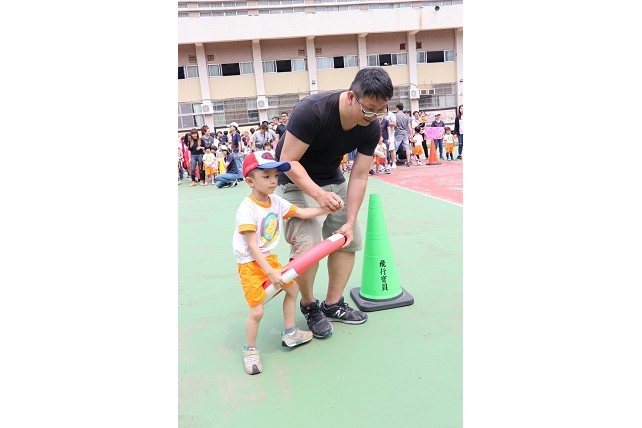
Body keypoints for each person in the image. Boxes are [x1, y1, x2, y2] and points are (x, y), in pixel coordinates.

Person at [275, 67, 394, 337]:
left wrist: (350, 221)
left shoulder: (371, 126)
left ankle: (332, 304)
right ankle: (309, 306)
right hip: (294, 179)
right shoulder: (312, 110)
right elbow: (288, 161)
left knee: (346, 238)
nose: (374, 117)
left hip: (332, 177)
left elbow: (360, 176)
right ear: (351, 97)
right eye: (369, 110)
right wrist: (318, 194)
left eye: (381, 110)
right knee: (308, 242)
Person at [234, 151, 332, 375]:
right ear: (250, 181)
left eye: (275, 176)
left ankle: (290, 333)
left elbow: (302, 213)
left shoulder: (275, 201)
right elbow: (252, 246)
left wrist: (326, 209)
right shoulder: (247, 208)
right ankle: (250, 350)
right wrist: (270, 272)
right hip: (251, 264)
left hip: (268, 259)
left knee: (293, 289)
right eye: (266, 176)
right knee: (257, 311)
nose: (273, 181)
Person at [393, 103, 413, 167]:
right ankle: (408, 161)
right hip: (405, 133)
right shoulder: (406, 116)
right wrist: (411, 134)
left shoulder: (395, 115)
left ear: (397, 108)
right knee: (407, 147)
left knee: (395, 148)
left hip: (398, 133)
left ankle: (394, 161)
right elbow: (409, 126)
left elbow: (394, 125)